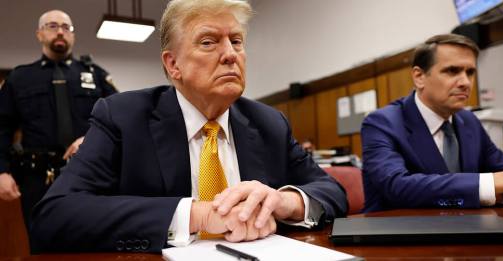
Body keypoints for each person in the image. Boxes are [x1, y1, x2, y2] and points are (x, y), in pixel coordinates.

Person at [31, 0, 347, 253]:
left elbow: (332, 192)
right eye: (209, 42)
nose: (230, 55)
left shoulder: (269, 123)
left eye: (236, 41)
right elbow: (55, 215)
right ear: (173, 64)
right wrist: (198, 215)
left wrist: (284, 202)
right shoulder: (122, 117)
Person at [361, 33, 503, 213]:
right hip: (397, 233)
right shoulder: (381, 122)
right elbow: (396, 186)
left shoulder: (469, 120)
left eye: (470, 72)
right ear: (419, 77)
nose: (465, 82)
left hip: (468, 228)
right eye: (452, 71)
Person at [0, 10, 117, 229]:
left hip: (89, 172)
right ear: (39, 34)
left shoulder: (96, 75)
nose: (61, 31)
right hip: (37, 178)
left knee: (91, 239)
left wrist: (92, 138)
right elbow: (2, 128)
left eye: (66, 27)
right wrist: (1, 171)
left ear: (72, 35)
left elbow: (118, 120)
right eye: (53, 26)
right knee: (42, 241)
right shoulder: (19, 77)